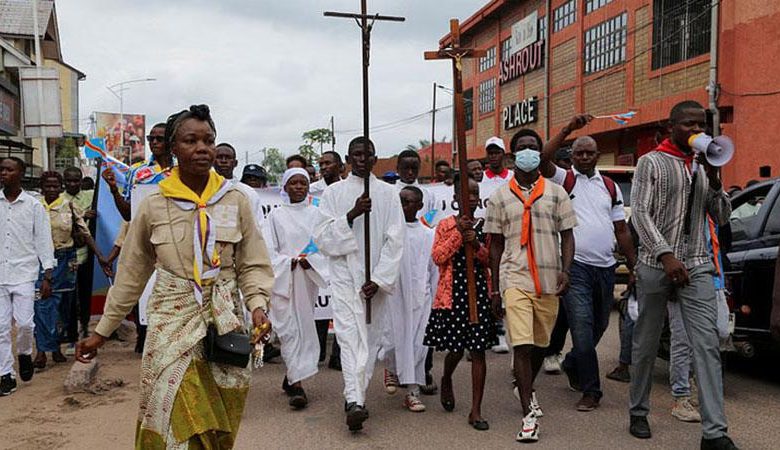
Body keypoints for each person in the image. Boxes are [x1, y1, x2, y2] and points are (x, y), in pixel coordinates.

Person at [76, 105, 274, 448]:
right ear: (173, 148)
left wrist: (257, 306)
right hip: (170, 321)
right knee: (173, 408)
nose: (202, 148)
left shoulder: (236, 200)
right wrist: (101, 333)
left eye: (208, 140)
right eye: (191, 140)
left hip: (224, 322)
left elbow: (252, 263)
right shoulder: (153, 205)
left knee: (218, 418)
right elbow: (132, 274)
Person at [628, 101, 736, 450]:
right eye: (689, 124)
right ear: (671, 125)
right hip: (655, 263)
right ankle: (638, 410)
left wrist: (715, 178)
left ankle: (714, 433)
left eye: (701, 125)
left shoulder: (704, 166)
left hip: (698, 263)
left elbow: (720, 217)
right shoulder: (651, 162)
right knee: (645, 342)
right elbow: (640, 215)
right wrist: (666, 254)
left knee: (706, 345)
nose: (696, 130)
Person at [539, 116, 637, 411]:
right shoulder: (564, 179)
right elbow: (544, 158)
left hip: (606, 268)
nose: (583, 157)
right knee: (582, 327)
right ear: (573, 156)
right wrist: (567, 130)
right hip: (575, 267)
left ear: (597, 156)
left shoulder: (610, 187)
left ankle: (572, 363)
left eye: (588, 152)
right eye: (578, 152)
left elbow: (621, 229)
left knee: (600, 325)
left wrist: (634, 266)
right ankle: (591, 391)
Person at [485, 129, 577, 443]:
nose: (528, 152)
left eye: (533, 147)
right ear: (513, 156)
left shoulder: (556, 193)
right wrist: (496, 287)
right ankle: (527, 415)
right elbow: (495, 244)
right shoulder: (499, 197)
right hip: (514, 277)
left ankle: (523, 384)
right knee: (521, 345)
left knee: (540, 345)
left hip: (549, 279)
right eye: (522, 148)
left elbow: (567, 234)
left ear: (540, 154)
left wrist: (566, 269)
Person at [313, 136, 404, 431]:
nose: (362, 160)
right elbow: (322, 238)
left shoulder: (389, 194)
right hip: (344, 275)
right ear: (349, 159)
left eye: (368, 155)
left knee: (370, 338)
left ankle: (356, 393)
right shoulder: (334, 194)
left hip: (375, 280)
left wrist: (378, 279)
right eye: (356, 155)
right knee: (349, 339)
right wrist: (351, 215)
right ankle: (355, 401)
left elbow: (395, 240)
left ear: (376, 159)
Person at [423, 174, 496, 430]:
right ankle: (446, 378)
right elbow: (438, 257)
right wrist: (458, 235)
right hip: (453, 296)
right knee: (455, 349)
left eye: (475, 193)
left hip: (478, 295)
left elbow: (491, 261)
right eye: (466, 194)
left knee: (478, 351)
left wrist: (475, 242)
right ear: (455, 198)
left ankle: (476, 410)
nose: (471, 198)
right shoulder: (445, 225)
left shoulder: (486, 225)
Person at [265, 168, 328, 410]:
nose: (299, 187)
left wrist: (309, 260)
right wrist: (288, 262)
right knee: (288, 329)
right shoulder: (275, 216)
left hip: (306, 277)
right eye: (294, 183)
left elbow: (323, 245)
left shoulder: (317, 214)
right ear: (285, 187)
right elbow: (268, 249)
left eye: (303, 182)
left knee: (302, 327)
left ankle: (295, 380)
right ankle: (296, 381)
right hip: (283, 279)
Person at [34, 171, 106, 369]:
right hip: (38, 261)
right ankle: (41, 351)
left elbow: (85, 232)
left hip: (65, 261)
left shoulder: (70, 206)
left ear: (60, 187)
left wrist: (100, 256)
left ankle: (56, 346)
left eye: (55, 186)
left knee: (62, 307)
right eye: (47, 186)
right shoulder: (34, 206)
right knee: (40, 305)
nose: (51, 190)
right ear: (42, 187)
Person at [0, 157, 55, 396]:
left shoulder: (33, 205)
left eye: (9, 169)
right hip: (0, 273)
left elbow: (43, 240)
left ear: (20, 173)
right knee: (1, 328)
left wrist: (48, 274)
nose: (4, 173)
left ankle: (23, 353)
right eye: (1, 169)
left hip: (24, 272)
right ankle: (5, 374)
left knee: (24, 324)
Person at [383, 186, 436, 412]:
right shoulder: (389, 232)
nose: (403, 206)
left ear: (419, 206)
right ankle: (392, 368)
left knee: (417, 345)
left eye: (408, 202)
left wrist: (432, 299)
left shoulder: (428, 234)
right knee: (392, 341)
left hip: (419, 298)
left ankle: (412, 393)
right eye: (400, 201)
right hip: (393, 297)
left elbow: (433, 270)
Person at [308, 151, 343, 370]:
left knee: (340, 307)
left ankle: (338, 355)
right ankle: (318, 350)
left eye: (328, 163)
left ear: (340, 166)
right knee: (320, 304)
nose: (323, 167)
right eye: (321, 164)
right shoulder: (311, 191)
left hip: (340, 252)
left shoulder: (347, 190)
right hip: (317, 253)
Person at [478, 136, 513, 354]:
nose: (493, 156)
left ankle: (502, 329)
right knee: (490, 283)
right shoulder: (480, 179)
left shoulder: (513, 178)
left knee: (506, 281)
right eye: (489, 153)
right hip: (486, 236)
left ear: (504, 154)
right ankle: (494, 329)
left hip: (509, 235)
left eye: (496, 152)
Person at [102, 122, 173, 221]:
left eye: (159, 139)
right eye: (151, 139)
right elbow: (128, 214)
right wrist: (114, 189)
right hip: (146, 233)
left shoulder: (183, 169)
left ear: (171, 141)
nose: (154, 142)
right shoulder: (135, 171)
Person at [62, 167, 97, 349]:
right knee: (69, 296)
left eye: (76, 181)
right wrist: (83, 214)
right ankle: (70, 334)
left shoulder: (90, 196)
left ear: (81, 180)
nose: (73, 184)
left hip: (86, 253)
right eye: (69, 181)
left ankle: (84, 327)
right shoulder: (60, 199)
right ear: (64, 181)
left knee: (84, 293)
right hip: (66, 254)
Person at [213, 142, 265, 228]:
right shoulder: (202, 190)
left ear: (235, 163)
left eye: (228, 157)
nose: (223, 161)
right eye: (219, 157)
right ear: (212, 161)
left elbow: (258, 225)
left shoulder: (248, 192)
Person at [395, 150, 436, 219]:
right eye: (406, 168)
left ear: (419, 168)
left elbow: (433, 217)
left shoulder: (429, 195)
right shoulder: (390, 193)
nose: (410, 172)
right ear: (397, 169)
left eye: (414, 168)